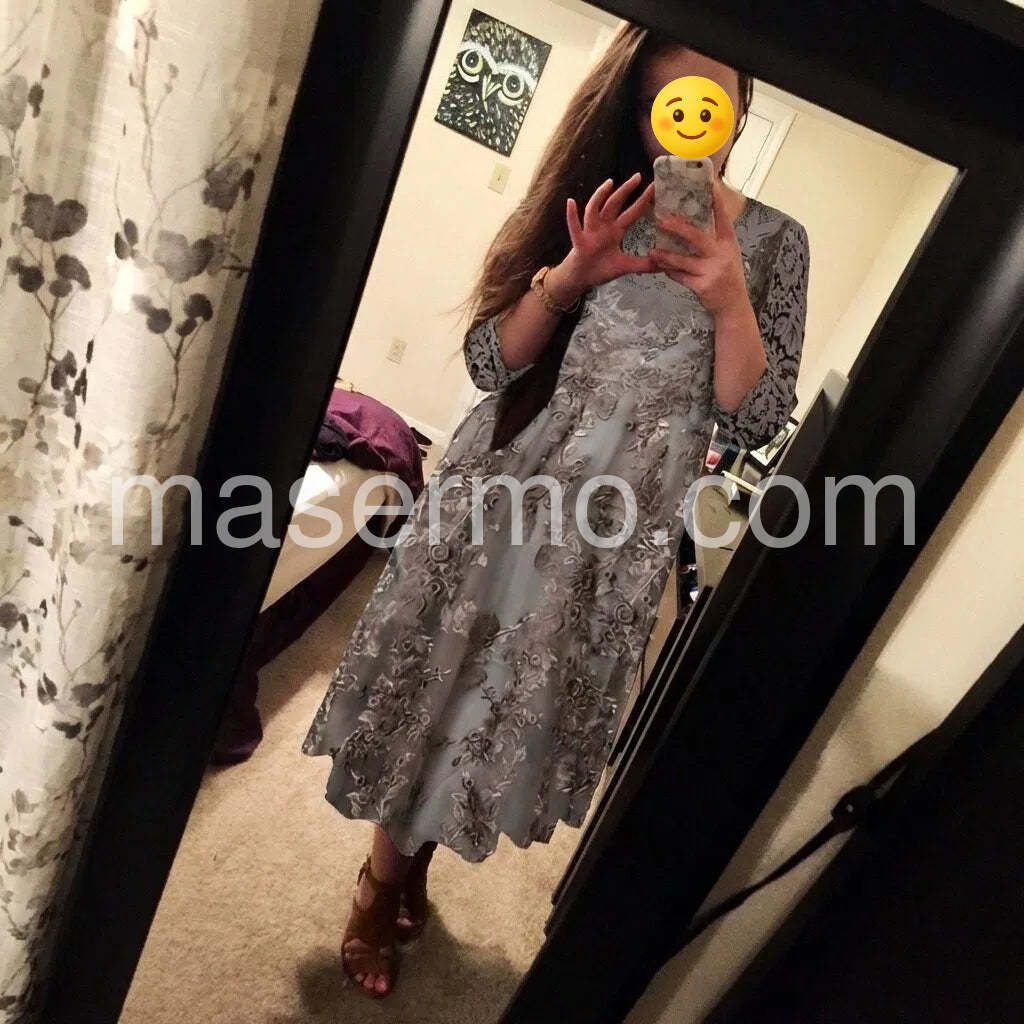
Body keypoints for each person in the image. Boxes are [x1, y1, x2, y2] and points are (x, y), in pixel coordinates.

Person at [301, 23, 809, 997]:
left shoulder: (777, 244)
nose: (694, 127)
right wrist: (569, 276)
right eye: (668, 108)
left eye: (715, 104)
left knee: (496, 708)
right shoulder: (592, 202)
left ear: (742, 109)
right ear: (636, 116)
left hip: (612, 539)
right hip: (505, 493)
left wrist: (730, 297)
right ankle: (378, 882)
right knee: (439, 686)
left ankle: (413, 862)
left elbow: (752, 421)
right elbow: (489, 364)